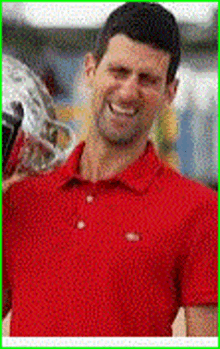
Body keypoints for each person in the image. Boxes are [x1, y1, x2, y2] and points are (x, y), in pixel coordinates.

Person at [3, 3, 217, 337]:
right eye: (118, 71)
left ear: (169, 93)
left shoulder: (200, 210)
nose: (129, 91)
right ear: (90, 70)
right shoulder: (20, 197)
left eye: (147, 79)